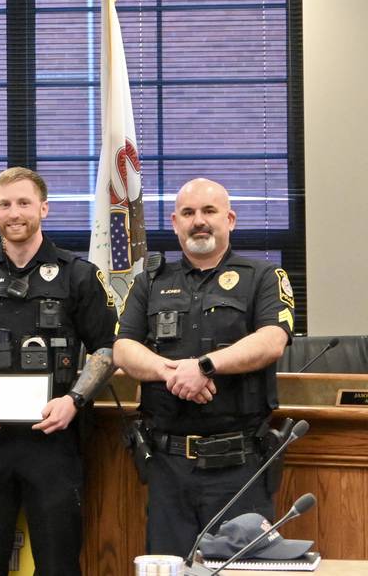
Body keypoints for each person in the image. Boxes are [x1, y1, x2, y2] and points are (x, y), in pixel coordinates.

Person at [0, 167, 117, 576]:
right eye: (5, 204)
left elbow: (107, 348)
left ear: (44, 208)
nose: (14, 212)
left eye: (23, 202)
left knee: (58, 565)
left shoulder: (79, 275)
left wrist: (74, 401)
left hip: (53, 440)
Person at [113, 178, 294, 558]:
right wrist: (172, 373)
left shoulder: (263, 277)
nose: (199, 221)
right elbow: (124, 349)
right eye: (189, 213)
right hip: (168, 466)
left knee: (241, 568)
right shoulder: (150, 281)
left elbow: (272, 340)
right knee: (170, 566)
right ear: (175, 222)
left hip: (239, 466)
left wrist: (205, 367)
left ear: (230, 219)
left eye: (209, 211)